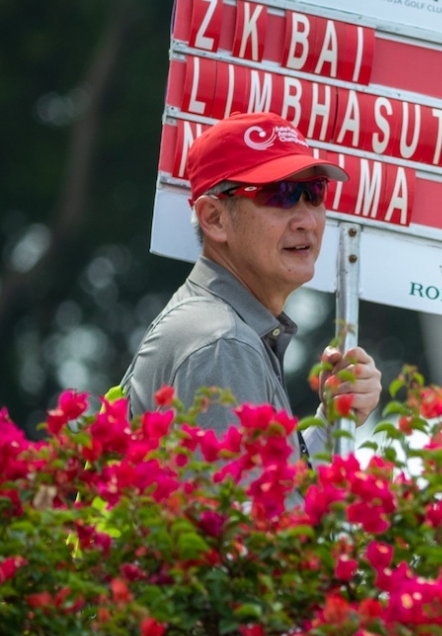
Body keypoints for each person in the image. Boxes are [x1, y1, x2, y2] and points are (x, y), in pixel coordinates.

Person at [122, 111, 382, 458]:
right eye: (280, 194)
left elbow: (270, 493)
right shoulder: (223, 343)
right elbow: (246, 511)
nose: (307, 220)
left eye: (313, 192)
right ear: (214, 219)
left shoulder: (224, 329)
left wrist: (331, 425)